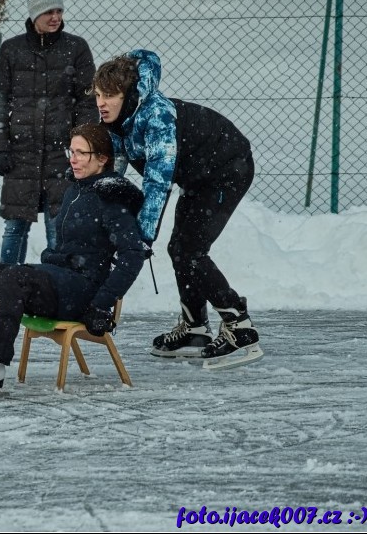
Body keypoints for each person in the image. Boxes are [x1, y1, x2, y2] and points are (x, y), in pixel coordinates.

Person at [0, 123, 146, 394]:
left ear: (103, 158)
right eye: (72, 150)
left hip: (83, 292)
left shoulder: (113, 199)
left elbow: (133, 255)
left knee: (16, 276)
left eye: (83, 153)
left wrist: (102, 305)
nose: (74, 158)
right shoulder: (75, 190)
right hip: (59, 280)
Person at [92, 49, 261, 367]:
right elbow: (112, 173)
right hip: (197, 175)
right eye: (98, 94)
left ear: (127, 94)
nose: (101, 102)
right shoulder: (117, 120)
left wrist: (142, 236)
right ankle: (195, 329)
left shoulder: (157, 117)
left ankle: (240, 328)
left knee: (191, 249)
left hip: (227, 168)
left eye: (109, 95)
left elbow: (157, 182)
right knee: (180, 248)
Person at [0, 0, 97, 264]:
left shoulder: (77, 48)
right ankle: (4, 287)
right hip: (21, 153)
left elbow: (88, 101)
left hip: (63, 155)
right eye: (49, 11)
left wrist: (82, 147)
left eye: (59, 11)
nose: (55, 17)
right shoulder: (12, 50)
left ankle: (59, 289)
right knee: (15, 227)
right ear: (34, 13)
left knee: (58, 228)